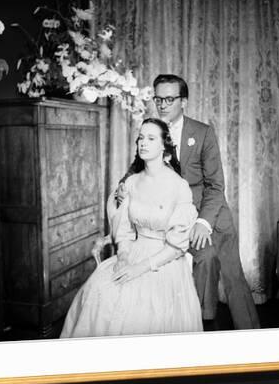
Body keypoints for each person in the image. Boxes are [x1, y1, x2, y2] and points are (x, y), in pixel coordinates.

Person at [60, 118, 203, 338]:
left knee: (145, 311)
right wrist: (125, 256)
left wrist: (140, 268)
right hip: (133, 251)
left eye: (151, 138)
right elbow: (124, 230)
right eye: (141, 138)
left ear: (164, 145)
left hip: (165, 260)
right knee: (100, 292)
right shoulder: (132, 183)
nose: (143, 143)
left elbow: (177, 246)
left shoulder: (179, 186)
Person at [148, 74, 260, 329]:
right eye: (158, 99)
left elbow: (216, 185)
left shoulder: (202, 133)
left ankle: (254, 337)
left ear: (183, 101)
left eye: (169, 99)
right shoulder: (151, 131)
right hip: (174, 218)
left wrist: (203, 222)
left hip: (212, 215)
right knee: (205, 260)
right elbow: (139, 169)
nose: (162, 104)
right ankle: (201, 323)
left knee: (233, 277)